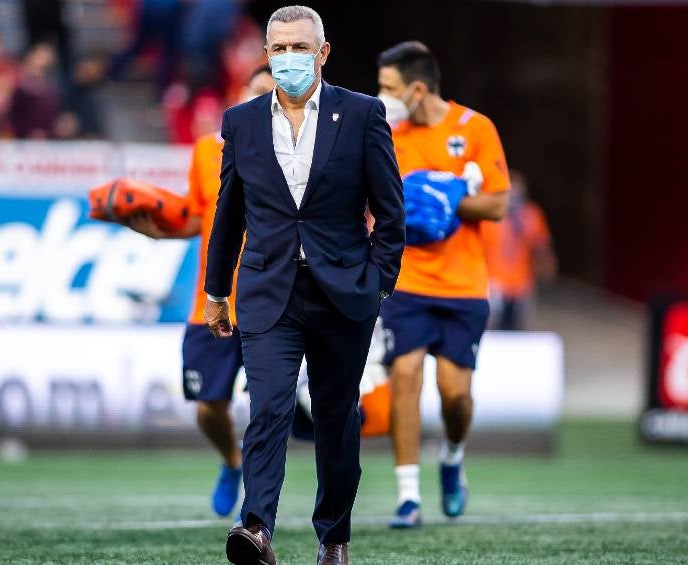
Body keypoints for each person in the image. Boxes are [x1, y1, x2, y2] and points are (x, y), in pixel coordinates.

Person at [205, 6, 404, 564]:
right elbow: (229, 214)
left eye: (298, 47)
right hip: (269, 292)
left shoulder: (363, 114)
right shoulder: (240, 122)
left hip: (345, 293)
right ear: (265, 54)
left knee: (337, 419)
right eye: (277, 47)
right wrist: (217, 292)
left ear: (322, 52)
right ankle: (257, 529)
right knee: (267, 407)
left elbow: (391, 212)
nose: (287, 57)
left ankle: (333, 537)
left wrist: (379, 283)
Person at [124, 65, 276, 519]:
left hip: (269, 301)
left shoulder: (297, 152)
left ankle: (259, 499)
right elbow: (198, 216)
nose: (264, 99)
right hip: (211, 302)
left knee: (269, 406)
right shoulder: (209, 150)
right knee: (209, 408)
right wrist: (160, 232)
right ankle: (232, 463)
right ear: (241, 94)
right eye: (257, 91)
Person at [376, 41, 510, 529]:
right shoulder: (387, 133)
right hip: (407, 279)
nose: (381, 96)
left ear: (416, 88)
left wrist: (445, 194)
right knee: (406, 375)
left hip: (463, 287)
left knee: (455, 396)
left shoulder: (475, 129)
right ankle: (407, 496)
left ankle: (453, 457)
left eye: (387, 87)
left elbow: (496, 204)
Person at [482, 170, 557, 330]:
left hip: (522, 283)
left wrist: (547, 266)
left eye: (518, 189)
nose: (514, 195)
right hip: (494, 282)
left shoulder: (531, 215)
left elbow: (541, 245)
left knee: (519, 329)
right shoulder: (490, 214)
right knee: (490, 328)